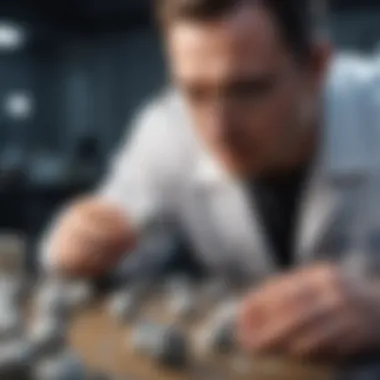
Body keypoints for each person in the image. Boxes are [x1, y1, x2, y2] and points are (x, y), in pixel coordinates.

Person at [42, 0, 380, 369]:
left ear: (317, 67)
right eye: (194, 92)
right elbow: (99, 243)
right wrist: (80, 244)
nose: (218, 130)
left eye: (249, 90)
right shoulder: (166, 130)